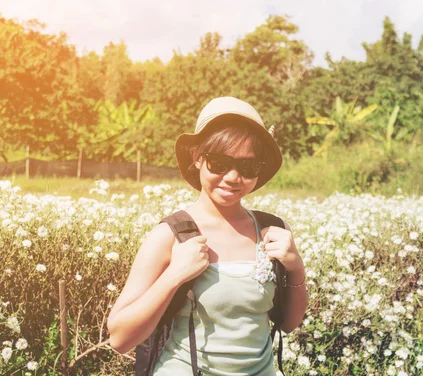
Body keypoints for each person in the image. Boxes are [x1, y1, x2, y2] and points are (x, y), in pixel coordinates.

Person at [107, 97, 308, 375]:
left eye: (248, 167)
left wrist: (296, 267)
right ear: (197, 158)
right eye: (219, 162)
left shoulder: (273, 231)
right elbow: (119, 338)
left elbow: (288, 323)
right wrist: (174, 275)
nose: (233, 177)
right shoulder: (170, 235)